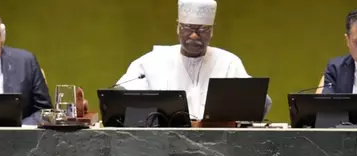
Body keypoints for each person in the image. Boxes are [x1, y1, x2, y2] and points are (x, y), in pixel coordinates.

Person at [113, 0, 271, 121]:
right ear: (178, 27)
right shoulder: (152, 62)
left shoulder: (228, 62)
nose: (194, 36)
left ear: (212, 30)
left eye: (202, 30)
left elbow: (257, 102)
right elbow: (120, 99)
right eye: (188, 28)